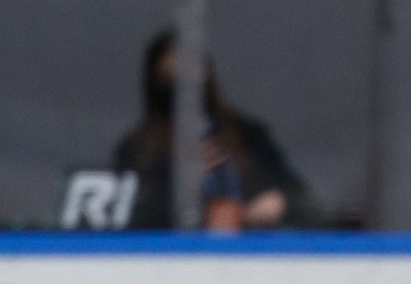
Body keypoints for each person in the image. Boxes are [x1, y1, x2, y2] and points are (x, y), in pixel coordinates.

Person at [112, 28, 313, 231]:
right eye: (171, 76)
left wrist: (276, 204)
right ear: (155, 82)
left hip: (250, 253)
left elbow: (301, 200)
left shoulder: (246, 136)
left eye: (193, 71)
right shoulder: (140, 150)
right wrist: (182, 184)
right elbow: (130, 217)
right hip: (173, 256)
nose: (185, 90)